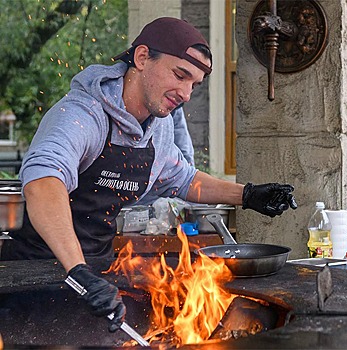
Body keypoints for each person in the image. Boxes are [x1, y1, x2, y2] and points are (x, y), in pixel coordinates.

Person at [0, 17, 296, 331]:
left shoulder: (158, 129)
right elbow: (43, 182)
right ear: (142, 58)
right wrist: (78, 270)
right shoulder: (82, 114)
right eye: (180, 75)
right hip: (34, 276)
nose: (186, 94)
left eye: (194, 84)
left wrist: (248, 195)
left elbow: (184, 180)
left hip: (97, 274)